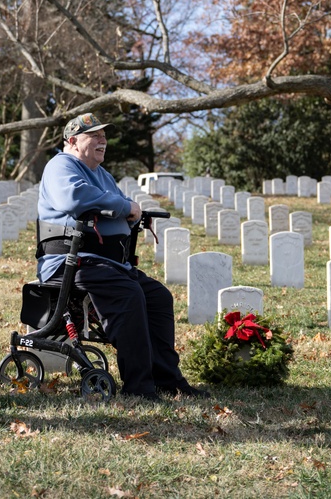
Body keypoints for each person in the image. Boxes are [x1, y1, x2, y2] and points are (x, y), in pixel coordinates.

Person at [37, 113, 208, 401]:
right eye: (95, 135)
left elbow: (123, 212)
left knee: (158, 297)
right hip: (71, 260)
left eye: (104, 135)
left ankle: (167, 379)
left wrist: (130, 214)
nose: (103, 140)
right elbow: (73, 199)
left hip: (107, 262)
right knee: (129, 295)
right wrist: (124, 206)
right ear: (73, 141)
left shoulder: (102, 174)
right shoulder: (61, 165)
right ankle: (139, 387)